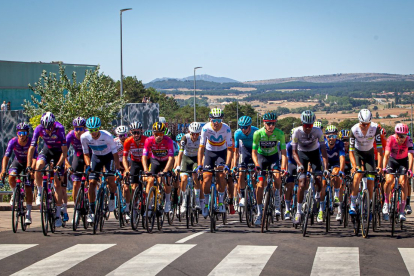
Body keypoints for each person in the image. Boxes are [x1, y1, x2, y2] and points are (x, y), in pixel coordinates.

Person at [26, 112, 68, 228]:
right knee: (38, 168)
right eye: (46, 129)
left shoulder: (60, 128)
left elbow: (65, 151)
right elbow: (32, 147)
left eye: (50, 128)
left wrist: (58, 165)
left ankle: (58, 215)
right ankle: (40, 192)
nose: (48, 131)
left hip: (58, 153)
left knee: (57, 184)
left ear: (53, 124)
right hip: (47, 150)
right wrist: (29, 165)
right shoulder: (39, 128)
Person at [81, 117, 121, 223]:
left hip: (108, 157)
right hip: (96, 157)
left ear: (99, 128)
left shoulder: (107, 136)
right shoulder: (84, 137)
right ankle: (91, 210)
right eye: (90, 130)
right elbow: (86, 153)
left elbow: (115, 153)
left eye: (95, 130)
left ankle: (112, 196)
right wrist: (88, 165)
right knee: (92, 182)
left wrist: (117, 167)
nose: (93, 133)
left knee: (110, 180)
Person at [292, 110, 329, 225]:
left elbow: (323, 152)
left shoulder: (318, 131)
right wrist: (299, 165)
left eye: (310, 125)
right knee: (302, 183)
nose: (308, 128)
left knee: (319, 179)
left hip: (314, 154)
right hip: (301, 154)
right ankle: (298, 212)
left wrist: (326, 168)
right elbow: (294, 152)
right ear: (302, 123)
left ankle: (318, 197)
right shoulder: (296, 132)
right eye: (306, 125)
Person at [252, 112, 287, 225]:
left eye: (273, 123)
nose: (271, 126)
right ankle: (259, 212)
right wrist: (257, 164)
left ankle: (277, 199)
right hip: (262, 159)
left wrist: (283, 167)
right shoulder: (258, 133)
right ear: (264, 123)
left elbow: (283, 153)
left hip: (273, 158)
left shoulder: (279, 133)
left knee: (277, 176)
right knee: (260, 185)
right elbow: (254, 152)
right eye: (268, 123)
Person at [197, 108, 233, 218]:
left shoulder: (226, 129)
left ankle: (221, 201)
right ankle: (206, 204)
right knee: (206, 178)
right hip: (209, 153)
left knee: (221, 175)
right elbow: (201, 148)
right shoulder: (205, 129)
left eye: (219, 120)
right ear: (210, 119)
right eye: (214, 120)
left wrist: (227, 164)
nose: (216, 123)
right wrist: (199, 165)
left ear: (222, 120)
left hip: (221, 153)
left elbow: (230, 149)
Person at [0, 123, 37, 224]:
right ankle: (15, 193)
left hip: (29, 164)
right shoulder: (13, 141)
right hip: (18, 162)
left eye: (24, 133)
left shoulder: (31, 142)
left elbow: (34, 158)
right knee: (11, 176)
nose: (21, 135)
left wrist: (31, 169)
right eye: (20, 132)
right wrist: (3, 170)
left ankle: (28, 214)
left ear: (27, 133)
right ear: (17, 133)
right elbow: (6, 157)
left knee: (28, 187)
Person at [349, 109, 383, 215]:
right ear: (359, 122)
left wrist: (380, 166)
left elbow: (380, 150)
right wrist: (354, 166)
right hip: (358, 153)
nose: (365, 127)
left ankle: (369, 203)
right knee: (357, 175)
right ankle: (353, 203)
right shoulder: (354, 130)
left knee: (371, 177)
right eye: (363, 124)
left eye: (367, 124)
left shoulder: (375, 128)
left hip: (369, 154)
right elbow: (351, 151)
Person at [382, 123, 413, 221]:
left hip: (403, 161)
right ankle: (386, 203)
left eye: (404, 135)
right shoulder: (391, 139)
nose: (402, 138)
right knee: (389, 180)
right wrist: (383, 168)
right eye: (400, 136)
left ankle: (402, 211)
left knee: (403, 182)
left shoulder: (408, 140)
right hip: (392, 160)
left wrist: (410, 170)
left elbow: (411, 156)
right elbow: (386, 155)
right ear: (396, 134)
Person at [142, 122, 175, 213]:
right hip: (155, 161)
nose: (159, 136)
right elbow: (144, 156)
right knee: (150, 180)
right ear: (153, 133)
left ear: (164, 133)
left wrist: (165, 171)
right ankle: (149, 204)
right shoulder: (148, 140)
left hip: (166, 161)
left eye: (161, 134)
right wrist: (145, 169)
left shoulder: (168, 141)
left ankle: (168, 202)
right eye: (156, 134)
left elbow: (171, 158)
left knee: (166, 180)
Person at [320, 125, 346, 223]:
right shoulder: (322, 144)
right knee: (322, 185)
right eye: (329, 136)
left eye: (334, 136)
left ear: (337, 136)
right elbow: (320, 158)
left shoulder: (340, 144)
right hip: (324, 163)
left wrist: (341, 171)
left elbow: (342, 158)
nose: (332, 139)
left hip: (335, 163)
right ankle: (321, 210)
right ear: (325, 136)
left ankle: (339, 209)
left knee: (336, 174)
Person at [233, 116, 259, 214]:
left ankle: (256, 198)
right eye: (241, 127)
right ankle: (243, 196)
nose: (243, 129)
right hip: (244, 151)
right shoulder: (237, 133)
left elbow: (259, 148)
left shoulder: (256, 131)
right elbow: (236, 152)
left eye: (245, 127)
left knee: (253, 177)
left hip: (255, 150)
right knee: (241, 174)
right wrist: (234, 166)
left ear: (250, 126)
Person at [123, 121, 147, 221]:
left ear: (141, 132)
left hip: (146, 161)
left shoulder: (146, 140)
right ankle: (134, 204)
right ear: (131, 133)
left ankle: (147, 199)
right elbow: (124, 157)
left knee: (146, 180)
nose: (136, 135)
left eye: (138, 132)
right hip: (135, 162)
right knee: (133, 186)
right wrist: (126, 169)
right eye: (134, 133)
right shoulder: (128, 141)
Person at [176, 123, 202, 214]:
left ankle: (197, 200)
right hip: (185, 158)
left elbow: (203, 154)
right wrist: (178, 166)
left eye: (197, 134)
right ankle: (183, 202)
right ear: (189, 132)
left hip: (195, 159)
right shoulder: (185, 138)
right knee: (184, 179)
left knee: (195, 177)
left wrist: (201, 166)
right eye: (193, 134)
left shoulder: (201, 139)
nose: (195, 136)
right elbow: (180, 154)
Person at [64, 117, 87, 223]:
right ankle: (76, 208)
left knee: (90, 181)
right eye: (76, 128)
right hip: (78, 157)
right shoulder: (70, 135)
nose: (78, 131)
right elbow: (63, 151)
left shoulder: (88, 135)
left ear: (84, 128)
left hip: (89, 156)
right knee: (75, 184)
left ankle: (92, 203)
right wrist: (67, 164)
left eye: (80, 128)